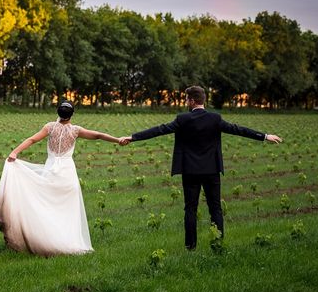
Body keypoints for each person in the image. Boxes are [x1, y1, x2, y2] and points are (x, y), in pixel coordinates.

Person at [119, 86, 283, 250]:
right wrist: (264, 136)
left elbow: (159, 130)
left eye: (186, 99)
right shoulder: (215, 118)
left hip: (190, 171)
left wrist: (133, 137)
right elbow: (238, 129)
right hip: (211, 170)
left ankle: (190, 247)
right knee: (215, 209)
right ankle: (218, 244)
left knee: (190, 209)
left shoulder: (182, 119)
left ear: (191, 100)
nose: (185, 102)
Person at [0, 101, 123, 256]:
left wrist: (15, 152)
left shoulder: (50, 127)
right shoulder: (75, 130)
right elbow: (98, 135)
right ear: (72, 114)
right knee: (68, 210)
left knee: (48, 206)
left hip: (51, 171)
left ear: (58, 113)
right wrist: (118, 140)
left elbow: (32, 139)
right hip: (67, 174)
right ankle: (66, 240)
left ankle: (48, 238)